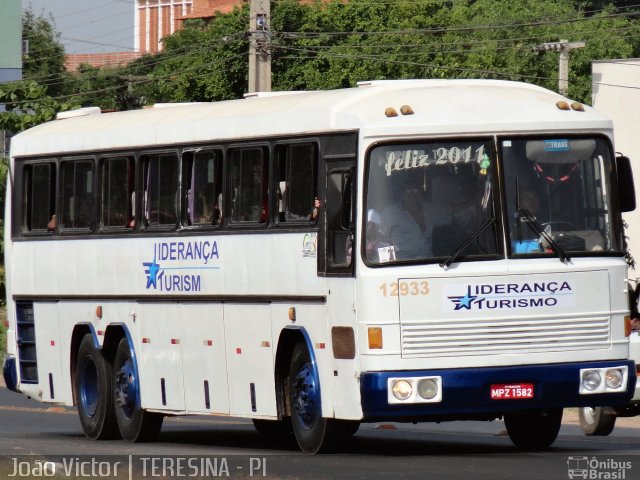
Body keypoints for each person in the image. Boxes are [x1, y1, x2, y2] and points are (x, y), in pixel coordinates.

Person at [381, 175, 451, 260]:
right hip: (402, 264)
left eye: (416, 190)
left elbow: (449, 212)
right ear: (401, 194)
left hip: (429, 263)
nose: (412, 194)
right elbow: (382, 240)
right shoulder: (390, 212)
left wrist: (470, 202)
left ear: (421, 193)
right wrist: (388, 266)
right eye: (408, 191)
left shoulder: (428, 208)